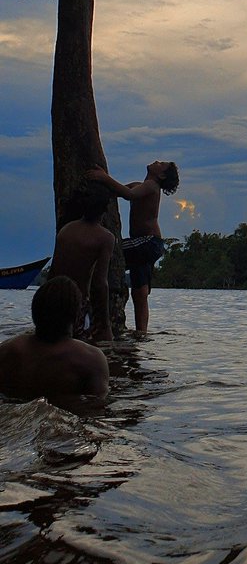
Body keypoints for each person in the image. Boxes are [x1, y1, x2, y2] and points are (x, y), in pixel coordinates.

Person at [87, 161, 179, 335]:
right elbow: (120, 190)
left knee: (113, 249)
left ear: (161, 175)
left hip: (147, 242)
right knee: (140, 291)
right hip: (148, 244)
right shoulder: (142, 185)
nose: (157, 161)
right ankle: (141, 332)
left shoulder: (151, 186)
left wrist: (103, 177)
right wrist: (104, 181)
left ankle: (113, 320)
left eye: (162, 164)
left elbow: (128, 194)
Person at [0, 277, 109, 403]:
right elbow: (98, 407)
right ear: (76, 316)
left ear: (35, 309)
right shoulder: (91, 359)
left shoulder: (7, 351)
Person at [50, 182, 115, 341]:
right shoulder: (105, 237)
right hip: (75, 304)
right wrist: (105, 326)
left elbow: (53, 271)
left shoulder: (66, 230)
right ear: (105, 209)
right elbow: (101, 283)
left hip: (51, 300)